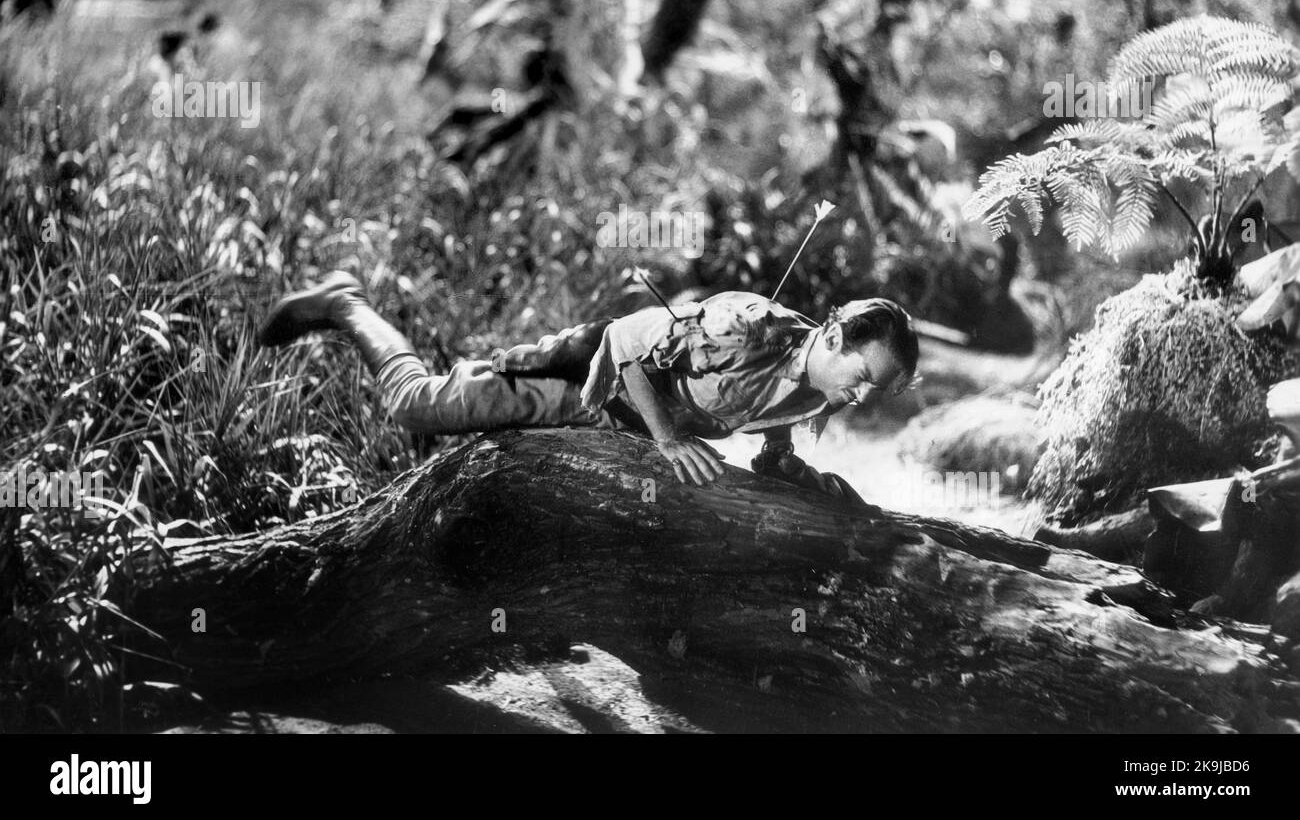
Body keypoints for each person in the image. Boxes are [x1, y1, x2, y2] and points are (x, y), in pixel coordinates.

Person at [256, 273, 919, 503]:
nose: (858, 397)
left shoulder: (818, 380)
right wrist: (666, 437)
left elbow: (770, 406)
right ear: (834, 337)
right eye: (862, 376)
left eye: (874, 390)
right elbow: (626, 340)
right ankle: (346, 305)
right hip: (584, 382)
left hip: (618, 432)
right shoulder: (743, 325)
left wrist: (784, 461)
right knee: (416, 405)